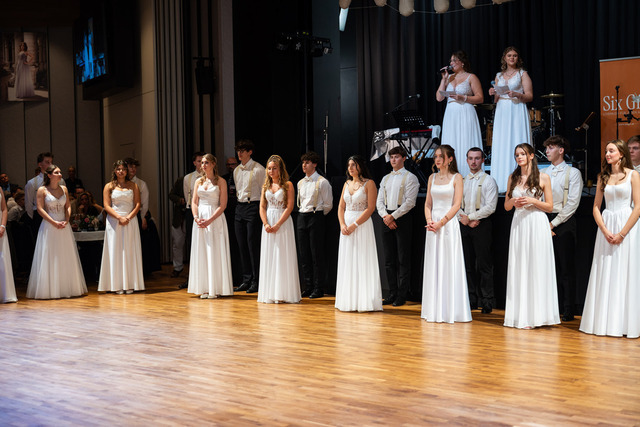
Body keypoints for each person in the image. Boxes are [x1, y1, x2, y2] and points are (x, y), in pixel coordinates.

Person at [580, 140, 640, 338]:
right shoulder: (602, 177)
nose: (607, 154)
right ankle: (603, 322)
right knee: (605, 269)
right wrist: (605, 230)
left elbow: (638, 206)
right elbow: (596, 207)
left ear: (621, 153)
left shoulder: (633, 175)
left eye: (611, 151)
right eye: (606, 151)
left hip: (626, 225)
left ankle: (623, 324)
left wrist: (622, 233)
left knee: (624, 270)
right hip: (606, 225)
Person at [504, 143, 559, 329]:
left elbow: (550, 206)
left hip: (536, 222)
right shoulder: (513, 178)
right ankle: (521, 315)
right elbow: (506, 207)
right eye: (517, 154)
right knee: (520, 265)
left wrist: (532, 201)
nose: (519, 157)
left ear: (531, 156)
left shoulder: (543, 177)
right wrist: (514, 201)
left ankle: (539, 315)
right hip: (519, 223)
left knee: (536, 266)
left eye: (522, 154)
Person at [421, 145, 471, 323]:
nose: (437, 159)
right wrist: (429, 220)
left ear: (450, 159)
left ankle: (451, 309)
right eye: (436, 156)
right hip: (433, 225)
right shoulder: (432, 177)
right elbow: (428, 203)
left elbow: (456, 205)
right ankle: (433, 308)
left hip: (448, 224)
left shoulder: (457, 177)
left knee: (448, 263)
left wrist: (441, 223)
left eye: (441, 156)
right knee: (434, 263)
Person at [25, 165, 87, 299]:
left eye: (60, 172)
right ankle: (49, 289)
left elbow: (68, 206)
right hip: (49, 225)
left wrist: (67, 219)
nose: (60, 174)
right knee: (50, 255)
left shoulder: (64, 188)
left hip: (64, 225)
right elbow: (40, 209)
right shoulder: (42, 190)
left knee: (65, 255)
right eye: (56, 172)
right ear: (49, 175)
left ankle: (66, 287)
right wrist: (53, 222)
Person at [542, 136, 584, 321]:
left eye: (551, 147)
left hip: (564, 221)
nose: (547, 151)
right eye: (546, 148)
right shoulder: (543, 172)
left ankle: (568, 309)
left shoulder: (572, 173)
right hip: (544, 219)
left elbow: (572, 203)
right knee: (546, 266)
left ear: (561, 150)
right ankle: (549, 307)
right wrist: (544, 222)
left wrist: (554, 224)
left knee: (566, 267)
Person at [335, 155, 382, 312]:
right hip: (346, 228)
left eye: (354, 165)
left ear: (360, 166)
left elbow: (370, 208)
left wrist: (354, 225)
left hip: (361, 226)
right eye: (349, 165)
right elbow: (341, 207)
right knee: (348, 260)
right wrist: (342, 224)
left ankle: (364, 300)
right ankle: (348, 299)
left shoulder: (369, 183)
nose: (351, 168)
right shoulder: (346, 183)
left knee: (362, 260)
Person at [376, 146, 419, 307]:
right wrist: (385, 216)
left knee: (403, 259)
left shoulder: (410, 178)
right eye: (392, 157)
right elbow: (380, 201)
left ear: (404, 158)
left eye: (396, 157)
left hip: (402, 218)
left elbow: (410, 202)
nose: (393, 160)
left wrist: (393, 216)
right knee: (389, 259)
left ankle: (402, 294)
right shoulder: (385, 178)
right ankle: (392, 292)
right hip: (386, 218)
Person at [187, 154, 234, 299]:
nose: (203, 165)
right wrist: (196, 217)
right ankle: (204, 287)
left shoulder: (221, 181)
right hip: (200, 218)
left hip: (215, 218)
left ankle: (216, 287)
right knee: (202, 250)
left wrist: (210, 220)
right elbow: (194, 202)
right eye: (202, 162)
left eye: (206, 162)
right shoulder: (198, 181)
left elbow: (223, 204)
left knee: (214, 250)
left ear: (213, 164)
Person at [458, 147, 498, 313]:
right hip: (464, 225)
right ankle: (471, 299)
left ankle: (487, 301)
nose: (473, 162)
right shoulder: (461, 181)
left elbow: (491, 206)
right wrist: (465, 219)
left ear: (482, 160)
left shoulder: (489, 181)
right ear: (467, 160)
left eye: (477, 158)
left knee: (484, 264)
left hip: (482, 225)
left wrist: (472, 217)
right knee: (467, 264)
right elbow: (456, 204)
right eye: (471, 158)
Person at [488, 47, 533, 193]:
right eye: (509, 55)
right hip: (502, 110)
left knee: (516, 139)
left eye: (514, 55)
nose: (512, 58)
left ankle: (522, 182)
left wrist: (517, 94)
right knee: (502, 142)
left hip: (517, 108)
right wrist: (493, 92)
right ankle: (501, 182)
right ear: (505, 58)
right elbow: (496, 99)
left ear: (517, 58)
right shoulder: (499, 75)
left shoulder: (522, 74)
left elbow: (529, 96)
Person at [257, 155, 301, 303]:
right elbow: (262, 206)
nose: (271, 171)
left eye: (274, 168)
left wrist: (278, 224)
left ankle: (283, 293)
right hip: (269, 222)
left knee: (282, 255)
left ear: (280, 169)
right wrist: (266, 223)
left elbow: (289, 206)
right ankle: (270, 292)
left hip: (282, 222)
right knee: (270, 255)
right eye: (269, 168)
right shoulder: (265, 186)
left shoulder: (288, 185)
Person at [98, 160, 144, 294]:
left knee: (129, 250)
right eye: (118, 169)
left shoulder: (133, 185)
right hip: (114, 221)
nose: (121, 171)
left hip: (130, 220)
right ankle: (116, 284)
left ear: (126, 171)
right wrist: (119, 217)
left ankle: (130, 283)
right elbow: (106, 206)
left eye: (123, 169)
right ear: (114, 171)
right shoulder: (109, 186)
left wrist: (128, 217)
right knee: (115, 250)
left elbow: (137, 204)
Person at [436, 50, 484, 177]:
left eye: (454, 60)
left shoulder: (471, 77)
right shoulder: (449, 78)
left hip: (465, 112)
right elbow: (439, 98)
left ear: (462, 62)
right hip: (451, 114)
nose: (451, 63)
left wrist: (463, 97)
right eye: (450, 61)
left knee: (465, 141)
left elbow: (480, 98)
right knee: (451, 142)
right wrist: (443, 80)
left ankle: (468, 175)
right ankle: (450, 175)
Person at [297, 151, 333, 299]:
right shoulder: (300, 182)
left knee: (316, 254)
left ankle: (319, 287)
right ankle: (308, 285)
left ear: (315, 164)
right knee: (304, 254)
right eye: (303, 162)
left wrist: (317, 216)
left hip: (316, 216)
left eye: (307, 162)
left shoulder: (322, 182)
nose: (304, 165)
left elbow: (328, 204)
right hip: (302, 216)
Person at [233, 140, 266, 294]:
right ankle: (246, 279)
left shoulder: (259, 169)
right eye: (238, 151)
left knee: (252, 245)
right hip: (240, 207)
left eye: (243, 151)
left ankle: (256, 280)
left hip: (253, 206)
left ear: (250, 152)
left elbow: (263, 191)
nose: (239, 154)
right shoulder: (236, 170)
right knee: (242, 245)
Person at [124, 157, 161, 277]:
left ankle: (141, 270)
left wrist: (143, 217)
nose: (133, 169)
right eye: (131, 166)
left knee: (140, 243)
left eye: (135, 167)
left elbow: (144, 203)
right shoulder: (119, 183)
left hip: (138, 215)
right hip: (122, 215)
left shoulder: (141, 184)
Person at [178, 152, 205, 289]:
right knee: (192, 243)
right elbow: (187, 196)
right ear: (194, 163)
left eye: (203, 161)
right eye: (199, 161)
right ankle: (191, 277)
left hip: (206, 210)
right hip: (192, 211)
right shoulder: (188, 178)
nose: (201, 164)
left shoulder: (210, 177)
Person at [25, 152, 65, 233]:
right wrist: (36, 218)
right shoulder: (32, 183)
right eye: (47, 162)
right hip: (39, 217)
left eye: (51, 162)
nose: (51, 165)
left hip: (58, 214)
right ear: (40, 165)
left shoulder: (61, 181)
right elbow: (29, 204)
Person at [221, 156, 241, 284]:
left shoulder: (240, 176)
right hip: (226, 213)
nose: (230, 167)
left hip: (238, 211)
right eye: (228, 165)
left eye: (232, 164)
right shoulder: (223, 179)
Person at [1, 193, 17, 303]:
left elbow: (4, 209)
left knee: (2, 259)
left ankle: (4, 293)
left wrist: (2, 226)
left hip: (0, 228)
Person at [169, 176, 187, 278]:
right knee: (177, 243)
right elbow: (171, 195)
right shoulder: (182, 180)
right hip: (179, 216)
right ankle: (177, 267)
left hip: (195, 216)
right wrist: (179, 200)